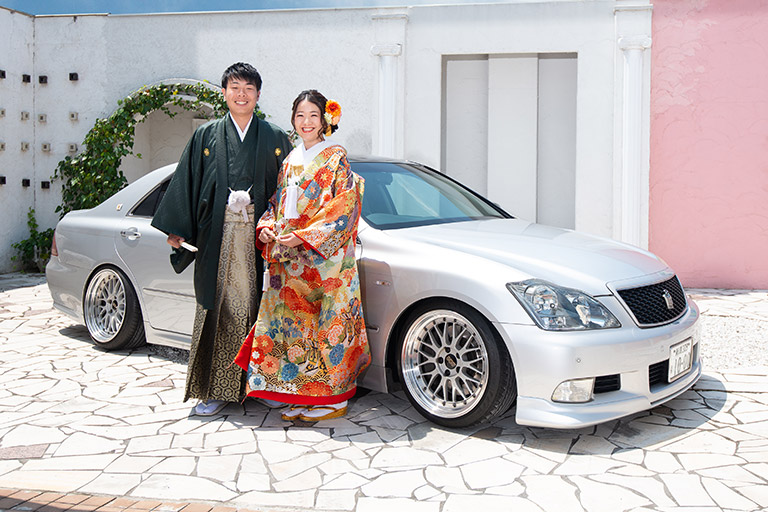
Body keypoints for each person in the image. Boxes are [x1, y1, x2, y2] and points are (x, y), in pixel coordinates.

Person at [151, 63, 293, 416]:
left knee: (266, 309)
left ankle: (266, 385)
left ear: (258, 95)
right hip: (219, 235)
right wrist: (178, 228)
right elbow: (187, 181)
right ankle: (214, 389)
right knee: (220, 309)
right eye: (234, 87)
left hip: (264, 239)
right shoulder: (206, 136)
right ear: (225, 93)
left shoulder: (275, 137)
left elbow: (291, 190)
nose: (241, 94)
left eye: (248, 88)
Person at [234, 90, 370, 422]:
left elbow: (344, 209)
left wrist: (304, 236)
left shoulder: (336, 157)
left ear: (325, 120)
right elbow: (276, 204)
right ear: (293, 121)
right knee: (296, 329)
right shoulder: (290, 160)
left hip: (326, 261)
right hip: (291, 259)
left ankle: (334, 398)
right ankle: (306, 394)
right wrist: (266, 227)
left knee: (328, 327)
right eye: (300, 116)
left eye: (313, 115)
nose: (306, 122)